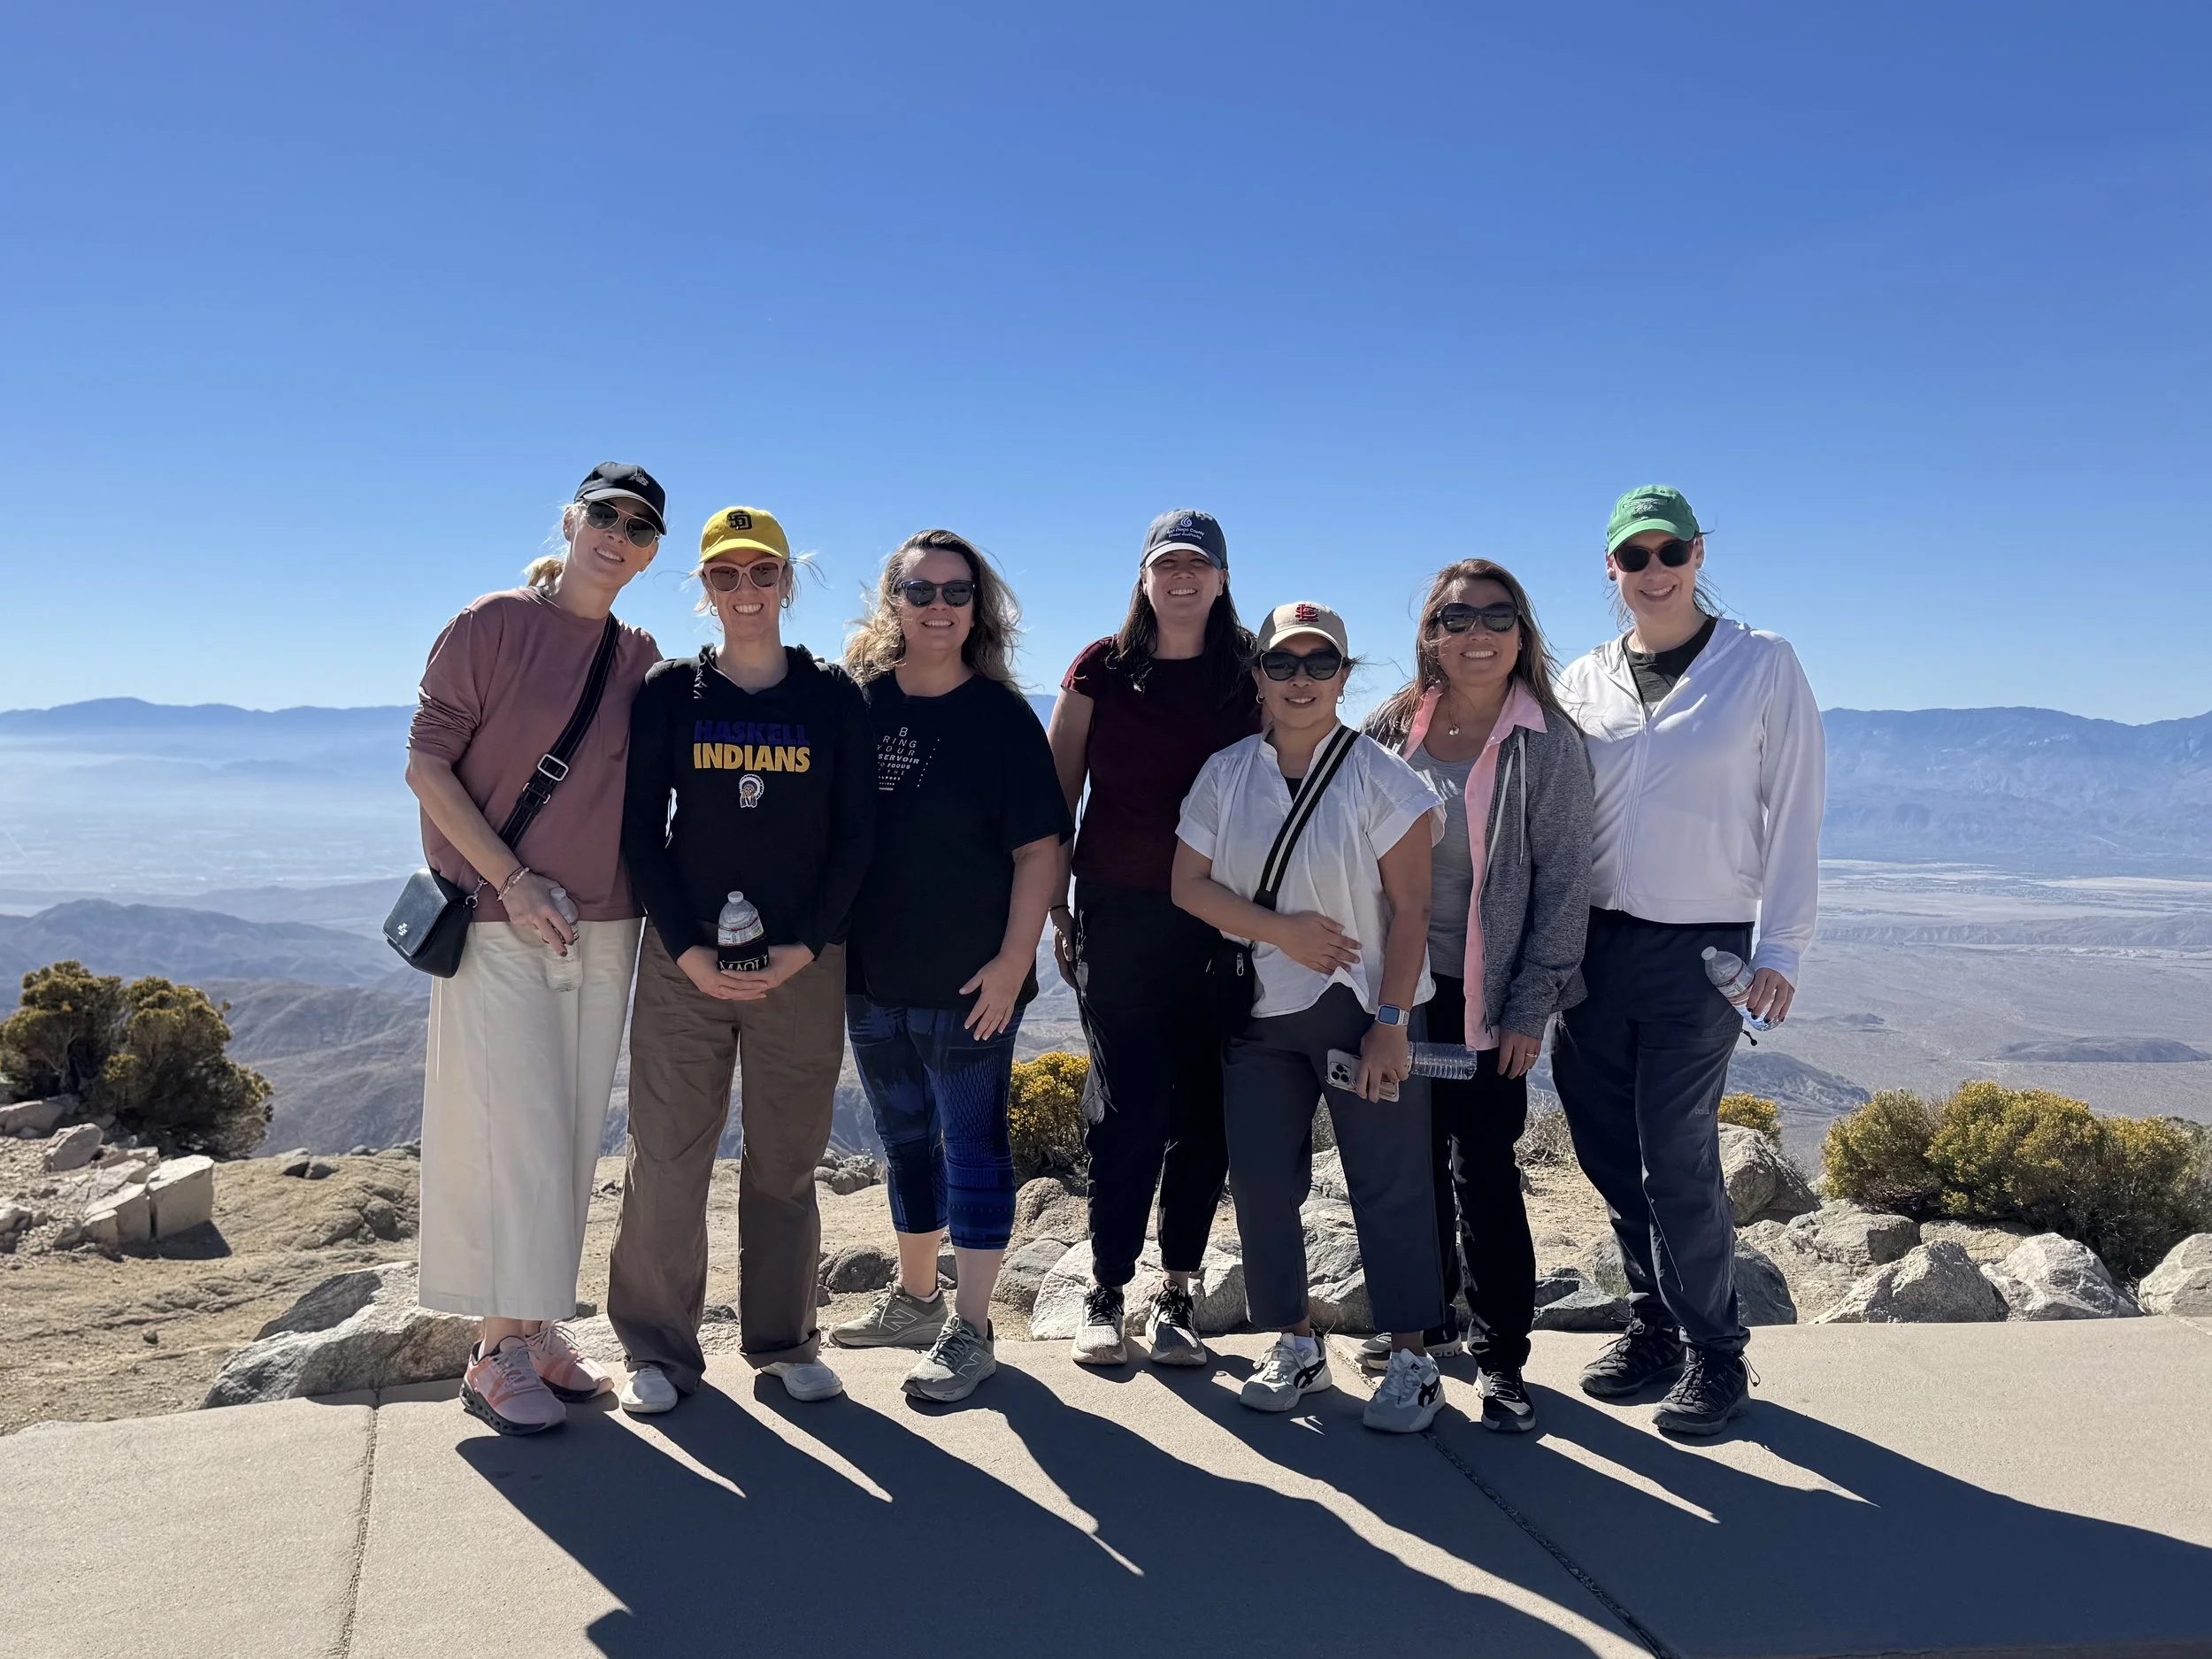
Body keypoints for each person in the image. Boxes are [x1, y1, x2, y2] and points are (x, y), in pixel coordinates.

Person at [1554, 485, 1824, 1435]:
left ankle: (1716, 1351)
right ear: (1611, 570)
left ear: (1699, 556)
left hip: (1700, 948)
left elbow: (1794, 809)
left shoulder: (1761, 664)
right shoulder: (1583, 677)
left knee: (1674, 1153)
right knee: (1602, 1148)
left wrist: (1781, 944)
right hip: (1590, 947)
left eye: (1671, 552)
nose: (1654, 571)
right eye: (1635, 557)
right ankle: (1651, 1326)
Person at [406, 462, 667, 1436]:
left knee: (563, 1133)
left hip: (607, 920)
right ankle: (492, 1351)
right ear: (571, 520)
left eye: (640, 529)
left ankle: (537, 1326)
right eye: (605, 515)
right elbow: (425, 764)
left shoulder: (637, 653)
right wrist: (510, 883)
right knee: (510, 1130)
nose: (618, 536)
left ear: (649, 556)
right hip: (498, 915)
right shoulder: (492, 623)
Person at [608, 505, 874, 1414]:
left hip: (800, 967)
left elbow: (856, 838)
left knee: (785, 1161)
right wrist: (683, 948)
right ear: (705, 589)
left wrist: (805, 946)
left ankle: (785, 1343)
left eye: (762, 572)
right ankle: (656, 1348)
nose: (745, 590)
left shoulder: (834, 697)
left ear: (787, 582)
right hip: (684, 968)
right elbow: (642, 829)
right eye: (726, 575)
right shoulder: (669, 694)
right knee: (667, 1156)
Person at [1171, 602, 1450, 1434]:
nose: (1300, 681)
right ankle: (1293, 1341)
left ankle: (1412, 1357)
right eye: (1283, 664)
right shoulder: (1225, 773)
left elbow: (1412, 909)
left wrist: (1393, 1021)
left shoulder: (1382, 777)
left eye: (1319, 664)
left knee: (1389, 1182)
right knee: (1261, 1181)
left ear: (1343, 675)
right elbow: (1189, 884)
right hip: (1260, 1012)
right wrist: (1281, 931)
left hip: (1365, 1010)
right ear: (1258, 674)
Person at [828, 531, 1073, 1402]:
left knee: (970, 1147)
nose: (938, 607)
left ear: (979, 609)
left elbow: (1041, 851)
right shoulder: (857, 704)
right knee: (903, 1144)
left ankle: (971, 1331)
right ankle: (916, 1298)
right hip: (871, 975)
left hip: (973, 980)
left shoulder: (999, 717)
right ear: (892, 601)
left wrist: (1014, 963)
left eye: (955, 593)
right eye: (920, 590)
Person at [1362, 562, 1594, 1434]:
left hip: (1486, 998)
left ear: (1522, 631)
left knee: (1483, 1176)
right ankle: (1418, 1339)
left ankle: (1502, 1364)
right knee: (1405, 1170)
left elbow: (1565, 882)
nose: (1476, 633)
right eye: (1456, 618)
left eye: (1496, 616)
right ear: (1430, 634)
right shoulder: (1393, 729)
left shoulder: (1547, 743)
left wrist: (1531, 1007)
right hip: (1399, 987)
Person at [1044, 510, 1260, 1368]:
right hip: (1118, 914)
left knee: (1204, 1112)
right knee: (1129, 1105)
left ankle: (1176, 1295)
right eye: (1164, 565)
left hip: (1220, 918)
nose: (1180, 579)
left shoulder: (1246, 673)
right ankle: (1106, 1290)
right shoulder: (1100, 669)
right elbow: (1056, 795)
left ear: (1219, 577)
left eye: (1195, 566)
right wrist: (1058, 907)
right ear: (1142, 577)